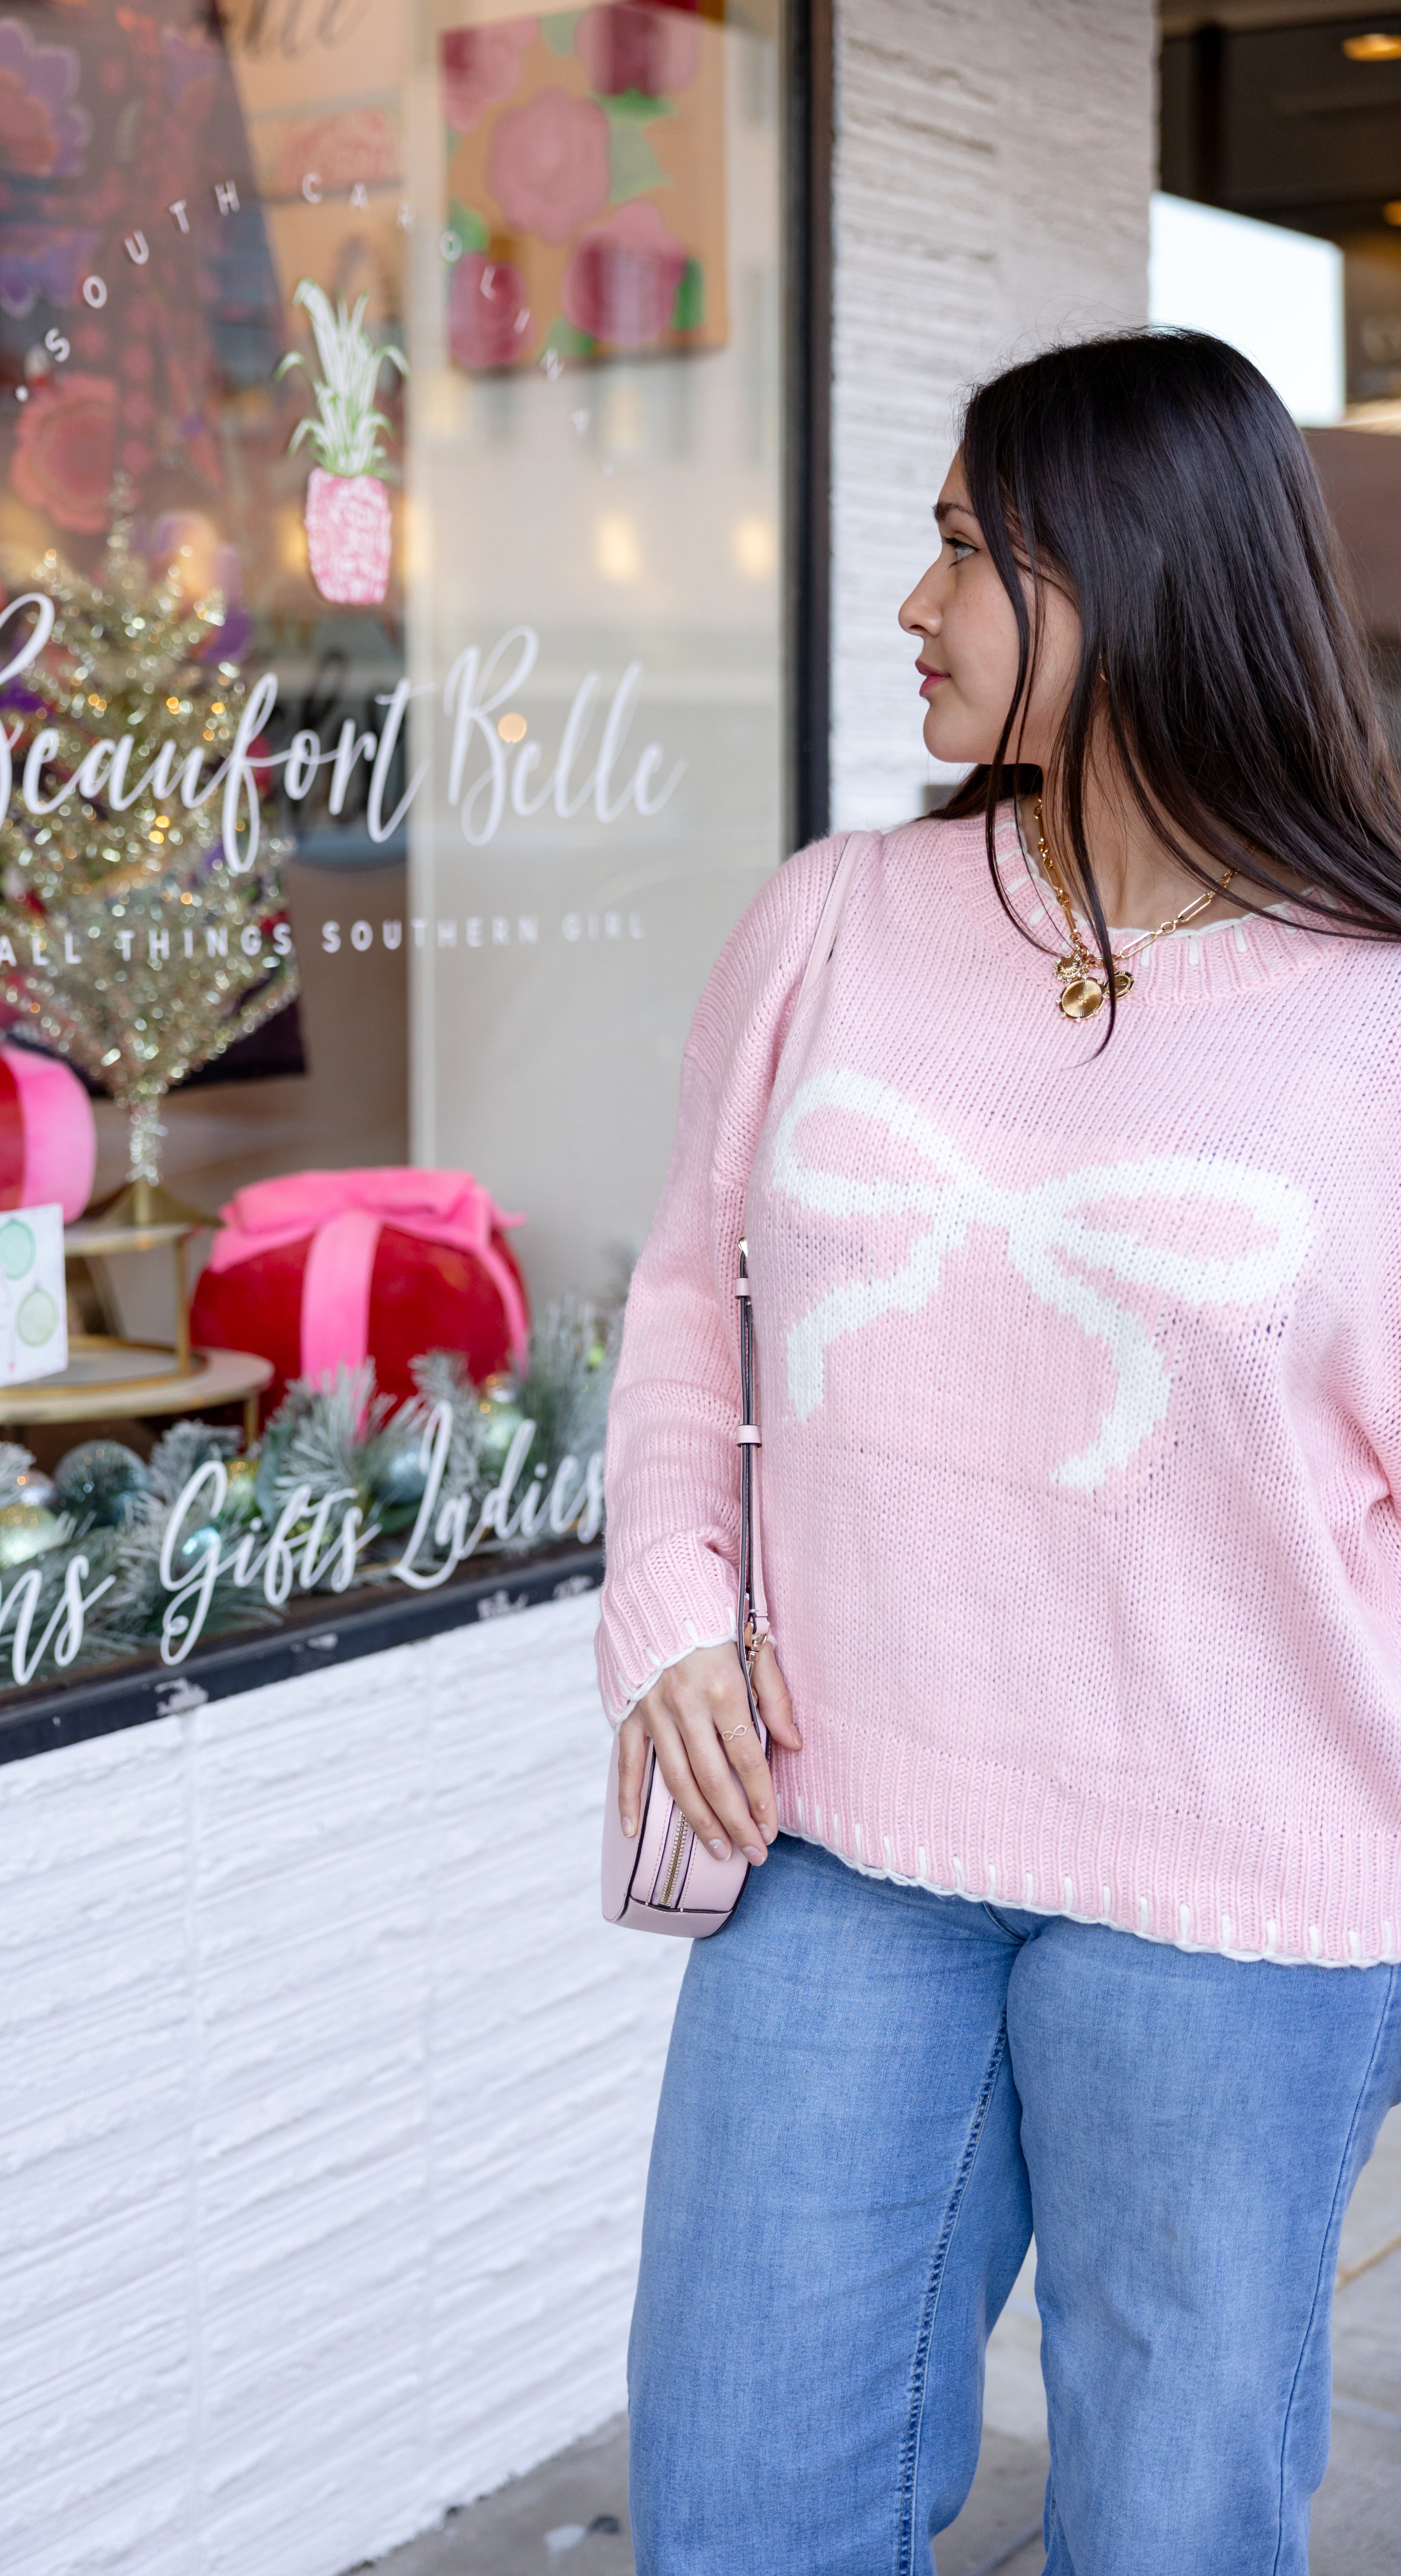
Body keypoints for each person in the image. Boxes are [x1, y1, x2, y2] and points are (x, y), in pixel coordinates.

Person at [596, 328, 1401, 2576]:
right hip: (842, 1832)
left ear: (1128, 580)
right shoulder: (835, 921)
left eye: (966, 547)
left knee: (1172, 2525)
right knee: (743, 2502)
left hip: (1245, 1901)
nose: (913, 604)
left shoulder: (1377, 1023)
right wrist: (668, 1604)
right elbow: (690, 1297)